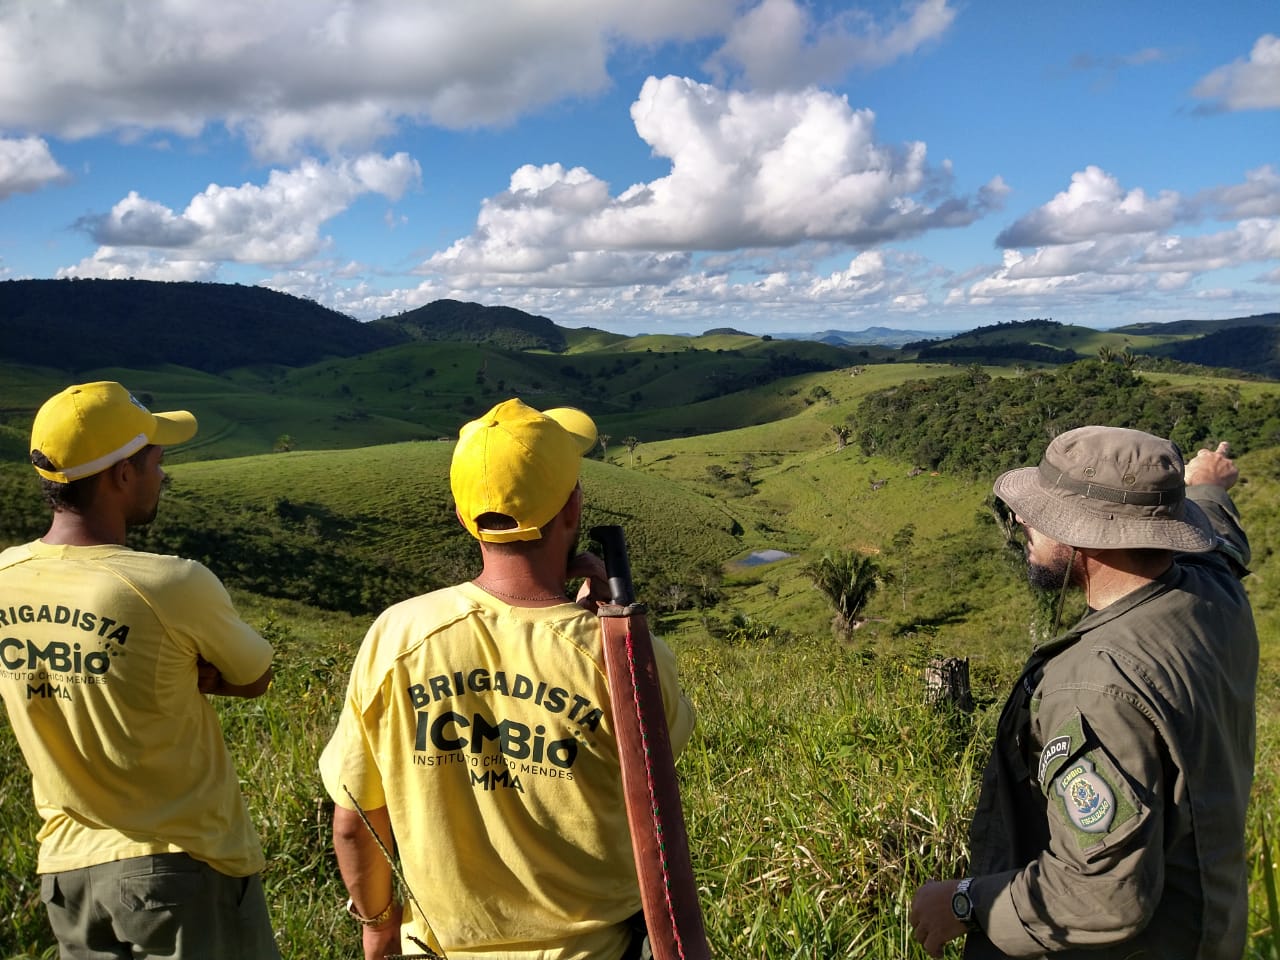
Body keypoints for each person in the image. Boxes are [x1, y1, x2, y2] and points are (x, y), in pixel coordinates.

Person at [320, 397, 696, 960]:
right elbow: (657, 771)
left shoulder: (395, 636)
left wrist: (378, 926)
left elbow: (353, 822)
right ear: (572, 508)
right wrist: (611, 633)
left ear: (463, 515)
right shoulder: (616, 654)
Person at [909, 427, 1257, 959]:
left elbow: (1104, 895)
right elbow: (1223, 544)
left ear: (1088, 535)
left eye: (1040, 513)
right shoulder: (1213, 592)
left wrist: (964, 903)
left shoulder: (1094, 685)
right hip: (1209, 929)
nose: (1024, 520)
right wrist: (1206, 484)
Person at [0, 381, 279, 959]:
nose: (162, 473)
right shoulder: (168, 583)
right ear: (121, 476)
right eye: (155, 459)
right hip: (179, 868)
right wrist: (206, 673)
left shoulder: (6, 577)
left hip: (66, 873)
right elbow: (255, 677)